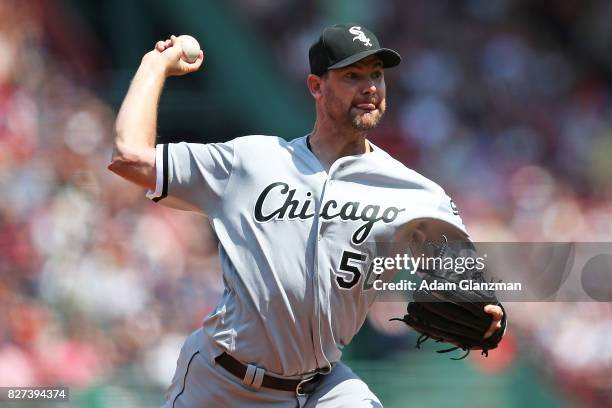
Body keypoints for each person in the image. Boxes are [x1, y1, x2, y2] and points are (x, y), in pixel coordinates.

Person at [108, 23, 504, 407]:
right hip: (221, 383)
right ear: (316, 86)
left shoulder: (416, 194)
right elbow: (130, 158)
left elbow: (468, 279)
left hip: (321, 388)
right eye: (352, 75)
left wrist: (490, 312)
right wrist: (154, 65)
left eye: (377, 74)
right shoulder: (251, 161)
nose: (370, 87)